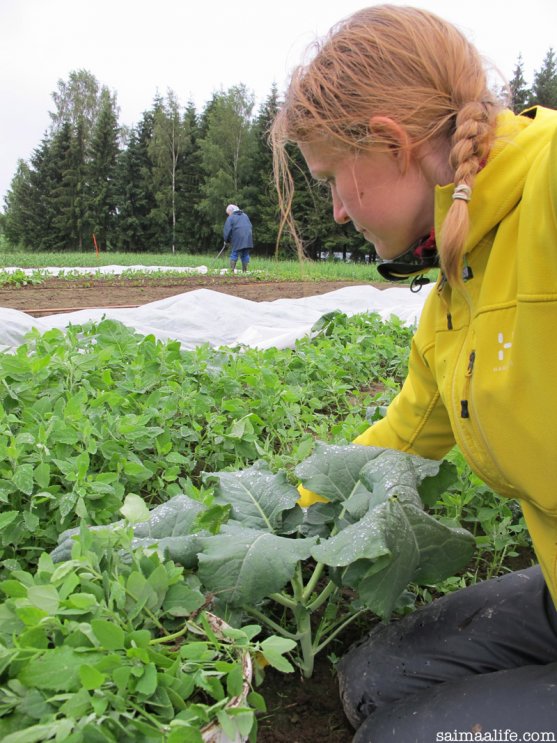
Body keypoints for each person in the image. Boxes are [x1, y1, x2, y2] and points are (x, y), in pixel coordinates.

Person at [270, 5, 557, 740]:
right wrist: (277, 515)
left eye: (333, 177)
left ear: (392, 144)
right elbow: (400, 437)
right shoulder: (454, 290)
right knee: (371, 683)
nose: (335, 210)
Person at [223, 204, 253, 272]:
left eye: (228, 213)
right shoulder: (245, 215)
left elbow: (227, 230)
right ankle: (245, 271)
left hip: (238, 238)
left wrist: (226, 240)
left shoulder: (231, 218)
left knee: (235, 252)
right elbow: (250, 226)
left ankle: (231, 271)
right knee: (245, 253)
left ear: (230, 211)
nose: (228, 215)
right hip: (248, 237)